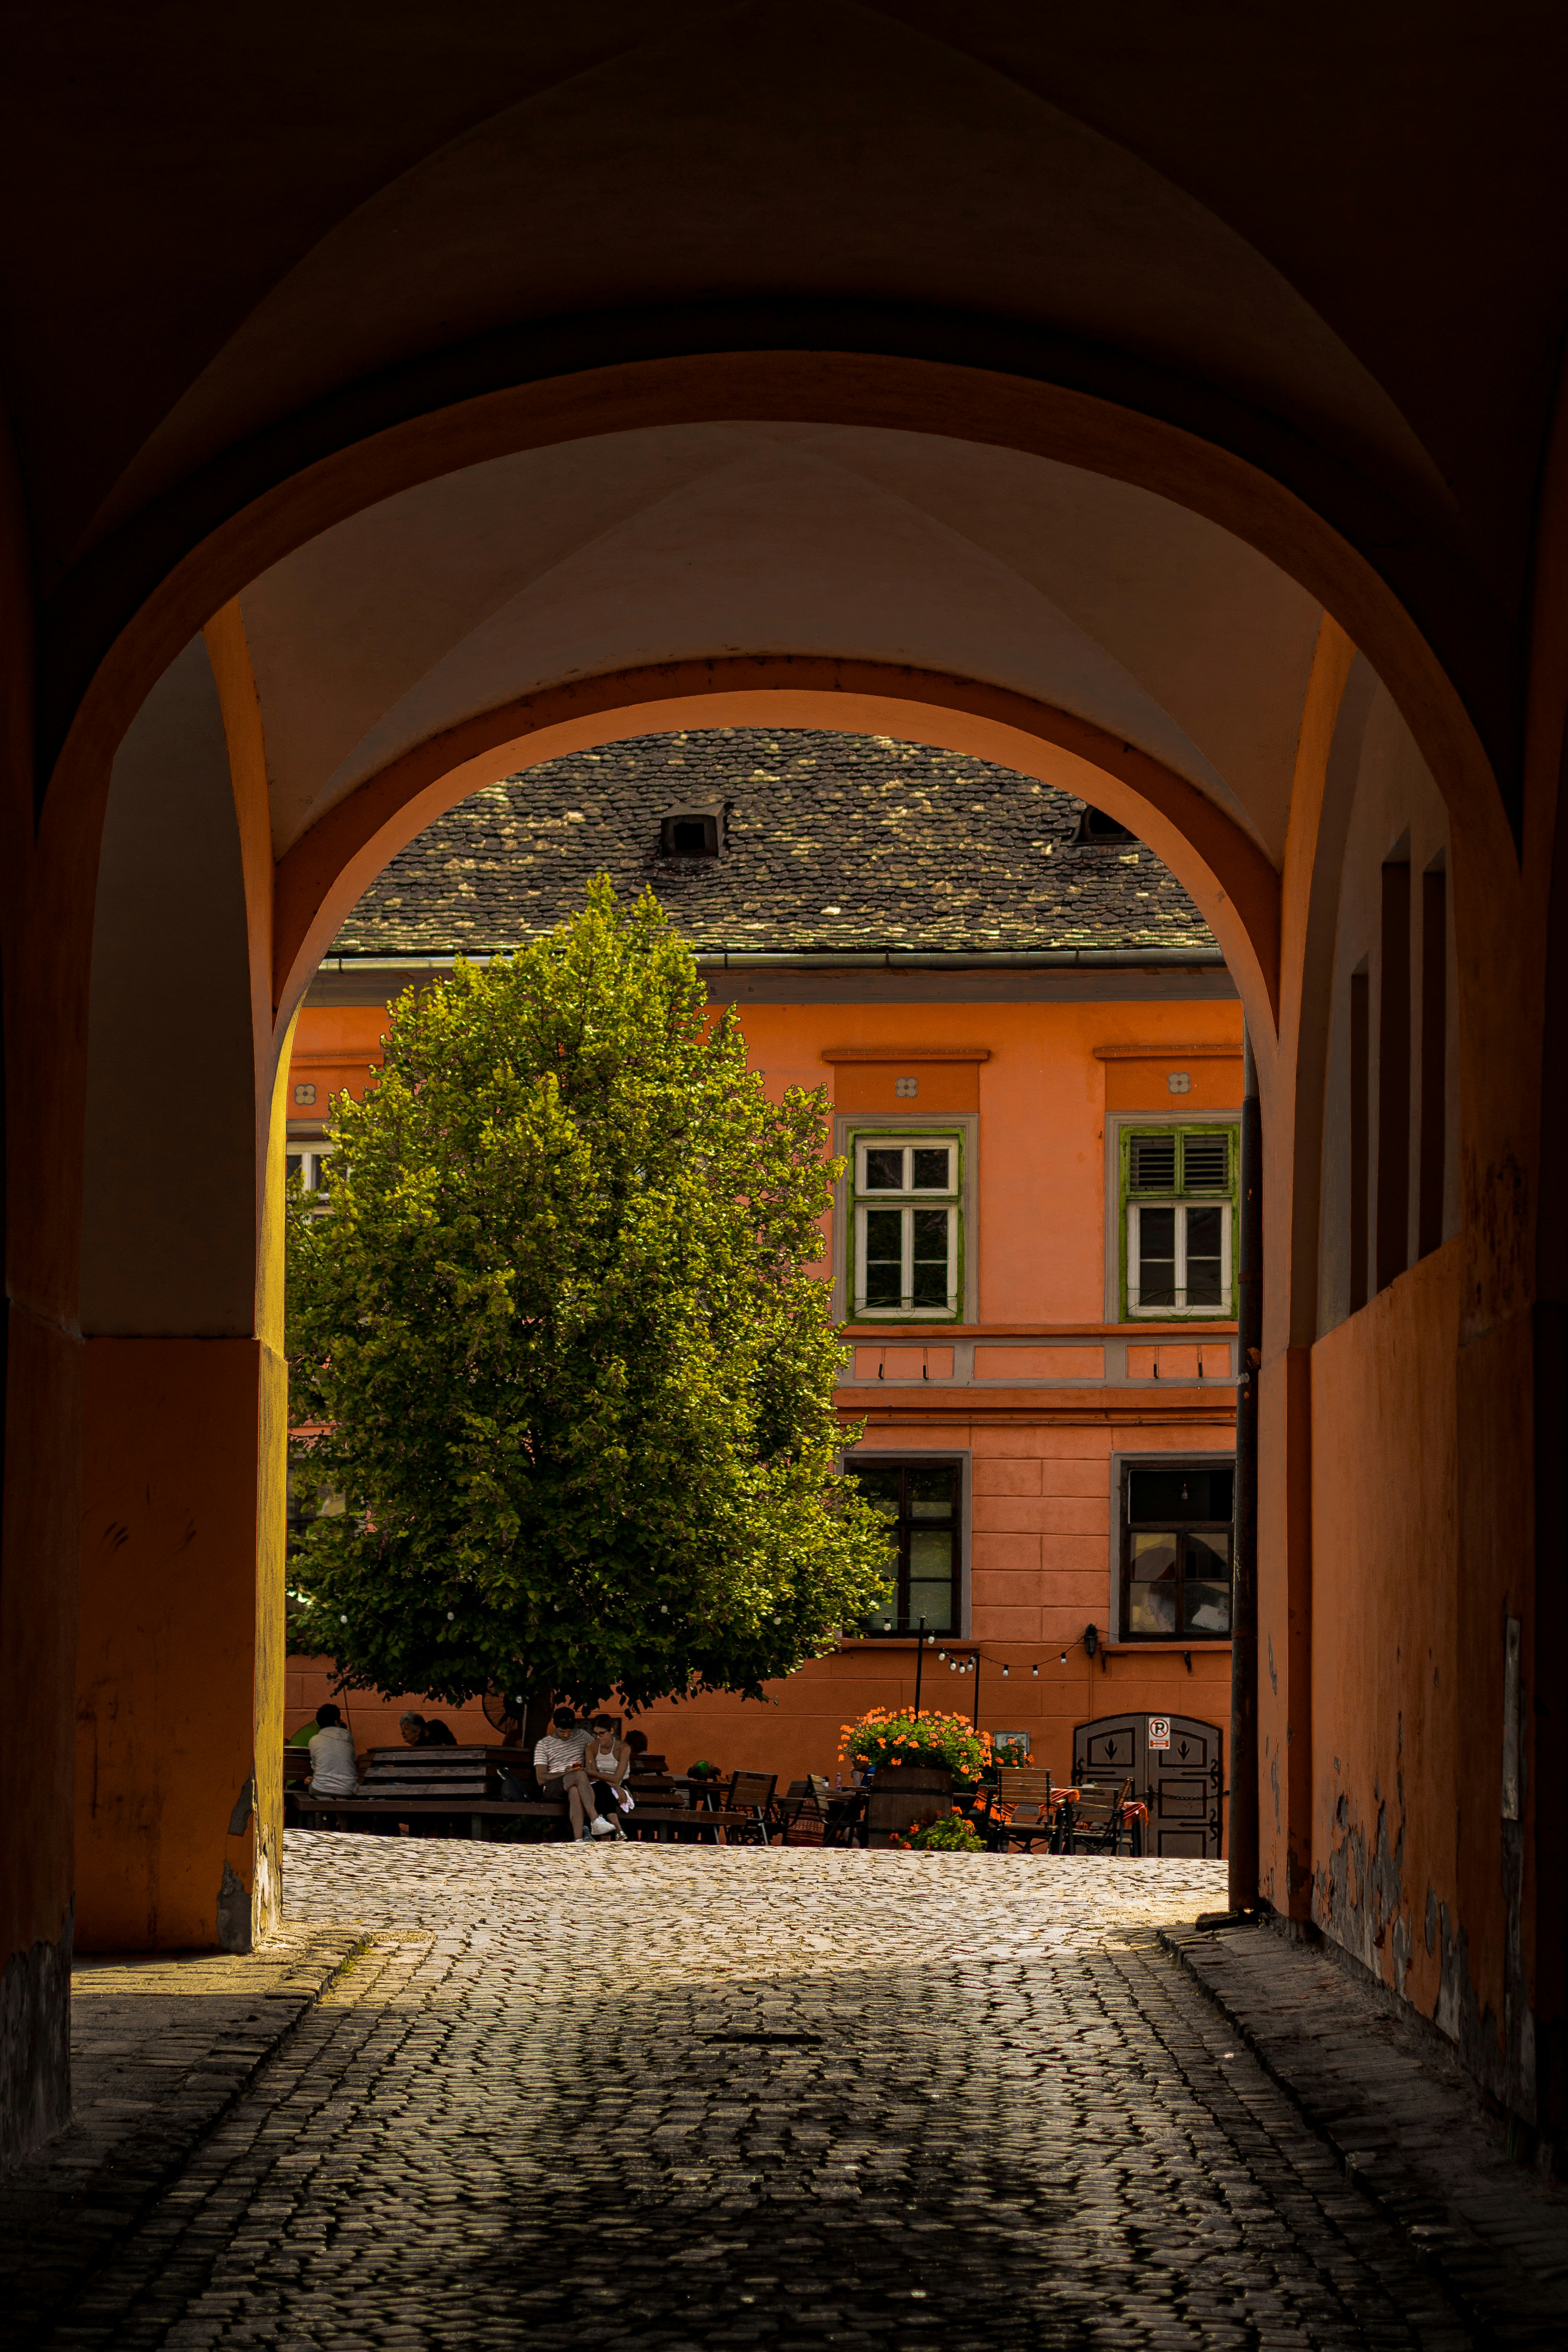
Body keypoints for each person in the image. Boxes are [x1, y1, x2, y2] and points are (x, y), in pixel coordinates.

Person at [533, 1705, 595, 1841]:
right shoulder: (544, 1745)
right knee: (579, 1776)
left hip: (579, 1785)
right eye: (562, 1732)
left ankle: (578, 1839)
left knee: (574, 1791)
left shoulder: (582, 1736)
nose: (566, 1735)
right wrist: (565, 1774)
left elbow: (596, 1754)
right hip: (553, 1787)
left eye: (569, 1732)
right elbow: (541, 1778)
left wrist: (585, 1765)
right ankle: (596, 1820)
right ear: (555, 1726)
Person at [582, 1714, 634, 1836]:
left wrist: (617, 1786)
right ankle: (619, 1830)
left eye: (602, 1733)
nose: (598, 1737)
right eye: (595, 1734)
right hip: (599, 1785)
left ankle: (614, 1831)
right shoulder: (591, 1748)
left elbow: (618, 1778)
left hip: (621, 1784)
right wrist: (614, 1786)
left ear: (611, 1731)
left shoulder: (623, 1748)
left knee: (602, 1790)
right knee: (602, 1788)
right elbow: (593, 1777)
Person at [307, 1702, 359, 1797]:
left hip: (320, 1788)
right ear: (336, 1721)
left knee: (311, 1784)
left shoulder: (314, 1740)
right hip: (347, 1789)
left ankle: (320, 1812)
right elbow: (353, 1759)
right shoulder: (348, 1737)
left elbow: (315, 1766)